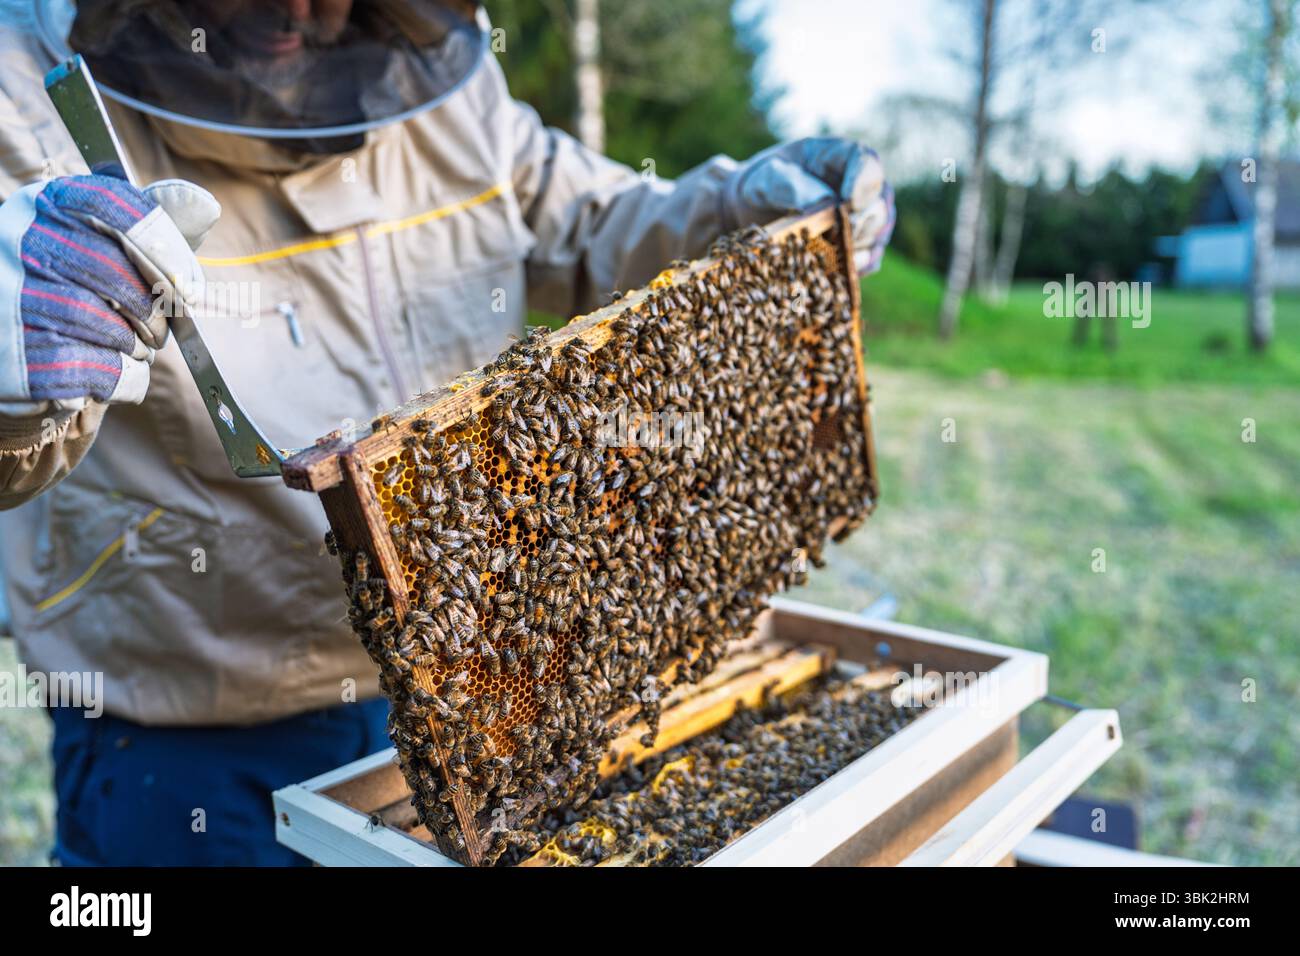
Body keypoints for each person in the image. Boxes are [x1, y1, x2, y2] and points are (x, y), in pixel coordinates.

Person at [0, 0, 894, 865]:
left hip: (485, 700)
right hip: (193, 742)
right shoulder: (19, 88)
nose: (302, 6)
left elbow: (593, 224)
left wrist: (738, 209)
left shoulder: (446, 83)